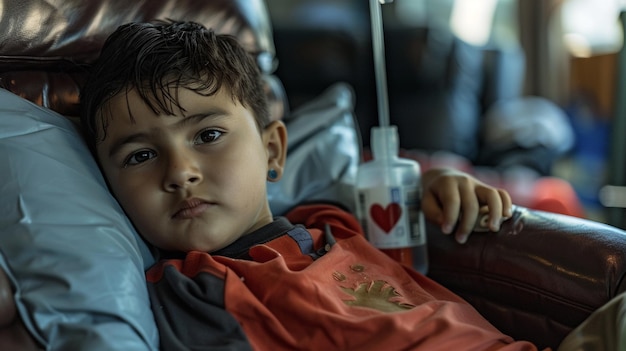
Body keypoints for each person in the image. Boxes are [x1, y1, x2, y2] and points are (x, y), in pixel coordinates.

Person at [80, 20, 543, 351]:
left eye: (208, 136)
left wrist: (439, 182)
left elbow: (378, 177)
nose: (180, 172)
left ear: (273, 152)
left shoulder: (331, 218)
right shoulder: (193, 292)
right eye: (140, 155)